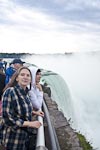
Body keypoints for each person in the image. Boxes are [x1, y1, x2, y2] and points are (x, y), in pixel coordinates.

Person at [0, 66, 44, 150]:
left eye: (28, 75)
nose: (25, 77)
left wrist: (34, 112)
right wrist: (30, 124)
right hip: (12, 140)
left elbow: (19, 109)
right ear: (17, 78)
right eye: (22, 75)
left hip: (23, 139)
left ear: (31, 79)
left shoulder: (26, 93)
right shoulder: (10, 92)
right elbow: (7, 119)